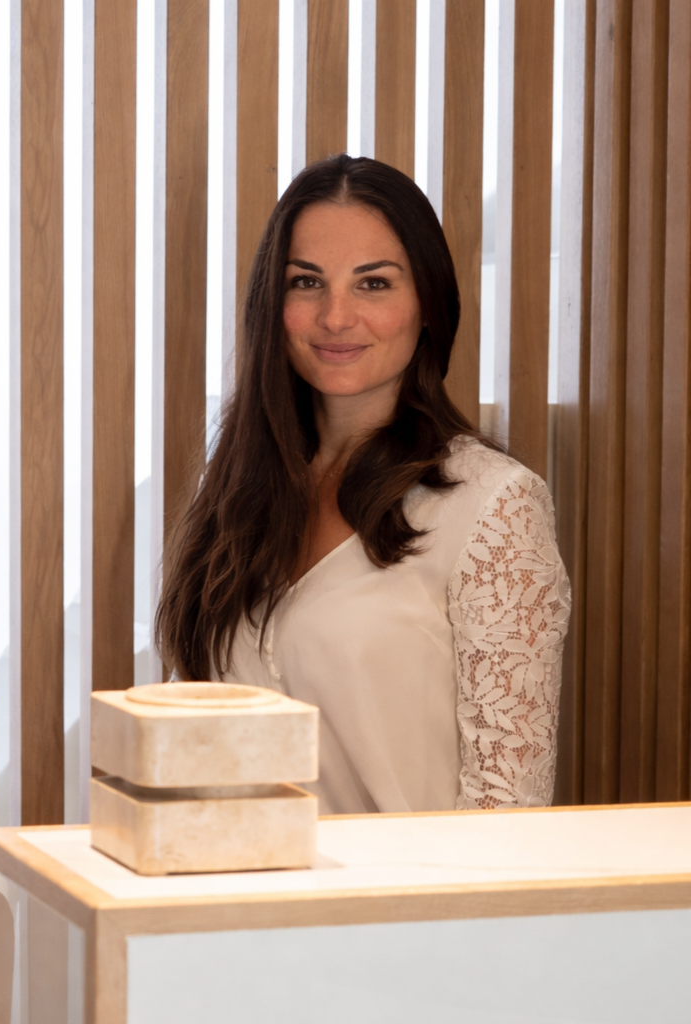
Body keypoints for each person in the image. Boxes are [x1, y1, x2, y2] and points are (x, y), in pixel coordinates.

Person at [156, 154, 570, 815]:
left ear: (428, 304)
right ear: (274, 303)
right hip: (234, 910)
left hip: (407, 915)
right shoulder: (235, 491)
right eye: (306, 282)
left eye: (373, 284)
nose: (337, 316)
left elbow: (508, 809)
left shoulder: (493, 505)